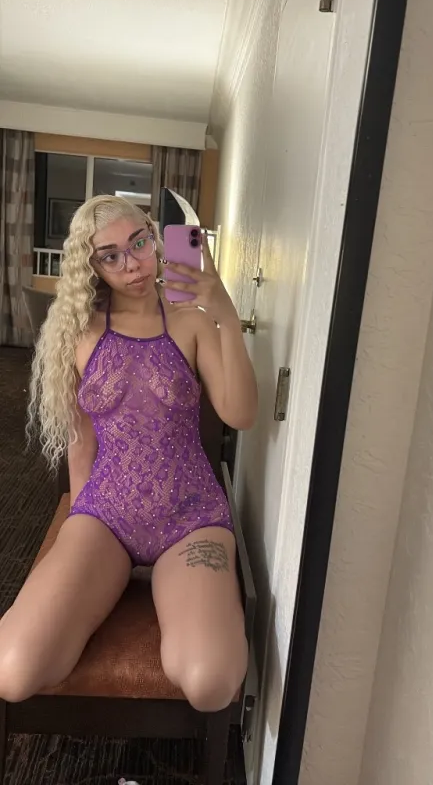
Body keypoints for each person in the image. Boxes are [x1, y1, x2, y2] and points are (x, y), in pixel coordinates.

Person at [0, 195, 257, 712]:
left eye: (139, 243)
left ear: (155, 235)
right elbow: (81, 441)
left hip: (191, 517)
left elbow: (241, 413)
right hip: (107, 515)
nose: (133, 264)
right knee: (13, 670)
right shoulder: (78, 333)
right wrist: (76, 529)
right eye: (110, 255)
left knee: (210, 682)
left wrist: (225, 313)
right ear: (92, 265)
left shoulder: (190, 321)